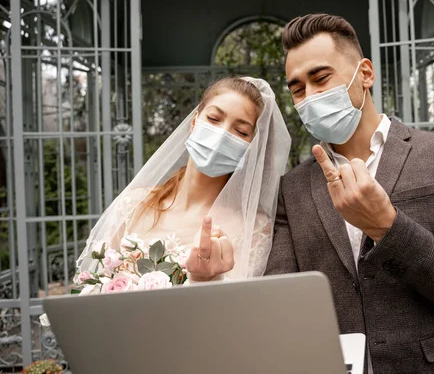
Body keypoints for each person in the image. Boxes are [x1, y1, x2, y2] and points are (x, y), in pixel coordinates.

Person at [265, 13, 434, 374]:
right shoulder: (292, 188)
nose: (309, 96)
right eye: (298, 88)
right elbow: (282, 302)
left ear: (365, 73)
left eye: (321, 77)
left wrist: (388, 227)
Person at [75, 77, 291, 283]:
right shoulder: (134, 205)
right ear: (194, 121)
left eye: (241, 131)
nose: (222, 135)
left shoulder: (254, 229)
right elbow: (95, 286)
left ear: (251, 148)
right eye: (214, 119)